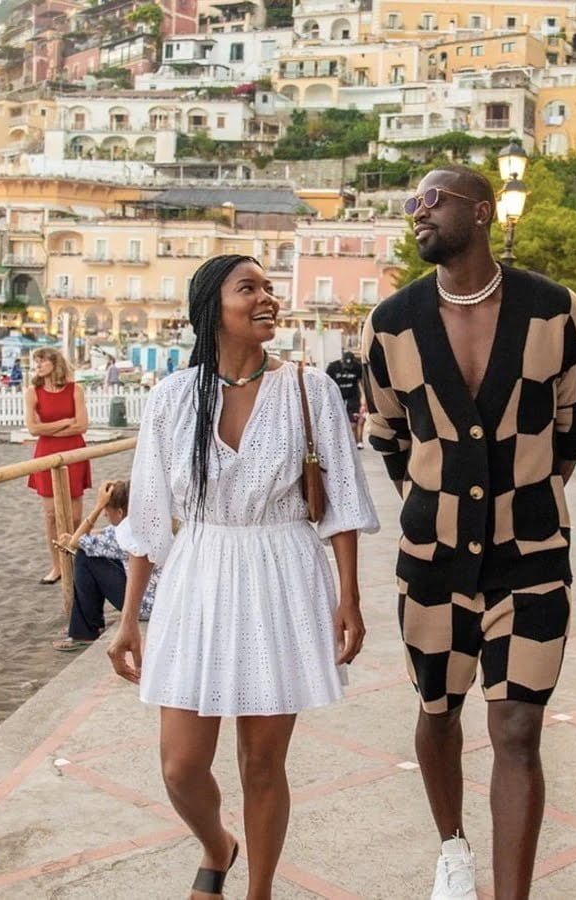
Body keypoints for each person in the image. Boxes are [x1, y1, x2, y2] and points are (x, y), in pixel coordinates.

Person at [362, 165, 576, 900]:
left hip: (531, 559)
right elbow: (388, 434)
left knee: (518, 728)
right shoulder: (391, 323)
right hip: (431, 561)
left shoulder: (556, 311)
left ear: (484, 212)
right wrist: (434, 503)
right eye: (412, 203)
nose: (418, 213)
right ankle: (453, 848)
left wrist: (527, 496)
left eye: (433, 200)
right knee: (438, 710)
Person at [107, 254, 378, 898]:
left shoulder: (310, 390)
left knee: (262, 763)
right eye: (248, 288)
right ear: (212, 308)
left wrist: (349, 598)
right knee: (180, 766)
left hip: (282, 574)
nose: (266, 299)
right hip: (199, 574)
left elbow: (341, 503)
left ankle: (259, 891)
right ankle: (216, 845)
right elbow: (149, 518)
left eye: (268, 288)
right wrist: (129, 619)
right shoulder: (173, 398)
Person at [51, 480, 158, 651]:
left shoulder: (120, 537)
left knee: (85, 556)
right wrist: (75, 536)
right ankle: (86, 623)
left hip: (142, 605)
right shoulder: (142, 522)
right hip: (156, 599)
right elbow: (98, 534)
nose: (104, 515)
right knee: (93, 551)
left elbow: (76, 542)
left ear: (120, 512)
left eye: (106, 512)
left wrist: (98, 506)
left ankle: (84, 633)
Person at [24, 347, 91, 585]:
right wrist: (64, 422)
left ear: (55, 363)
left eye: (42, 361)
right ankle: (57, 566)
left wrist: (49, 428)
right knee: (51, 515)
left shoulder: (75, 390)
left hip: (74, 451)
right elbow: (33, 428)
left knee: (75, 516)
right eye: (36, 362)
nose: (38, 366)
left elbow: (82, 425)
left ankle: (77, 564)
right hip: (46, 453)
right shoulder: (33, 392)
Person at [326, 350, 366, 449]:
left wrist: (363, 397)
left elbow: (361, 382)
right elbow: (326, 383)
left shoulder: (357, 367)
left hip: (352, 397)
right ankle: (339, 443)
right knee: (337, 421)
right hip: (337, 397)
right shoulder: (333, 367)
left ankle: (353, 444)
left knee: (353, 424)